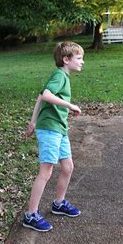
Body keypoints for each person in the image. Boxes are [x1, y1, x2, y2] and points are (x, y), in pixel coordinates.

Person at [23, 41, 85, 232]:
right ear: (66, 59)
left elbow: (41, 96)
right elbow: (47, 94)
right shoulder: (59, 75)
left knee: (67, 167)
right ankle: (30, 215)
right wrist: (70, 105)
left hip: (59, 128)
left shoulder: (63, 77)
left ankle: (59, 203)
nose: (82, 62)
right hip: (50, 129)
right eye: (79, 58)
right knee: (46, 171)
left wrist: (33, 122)